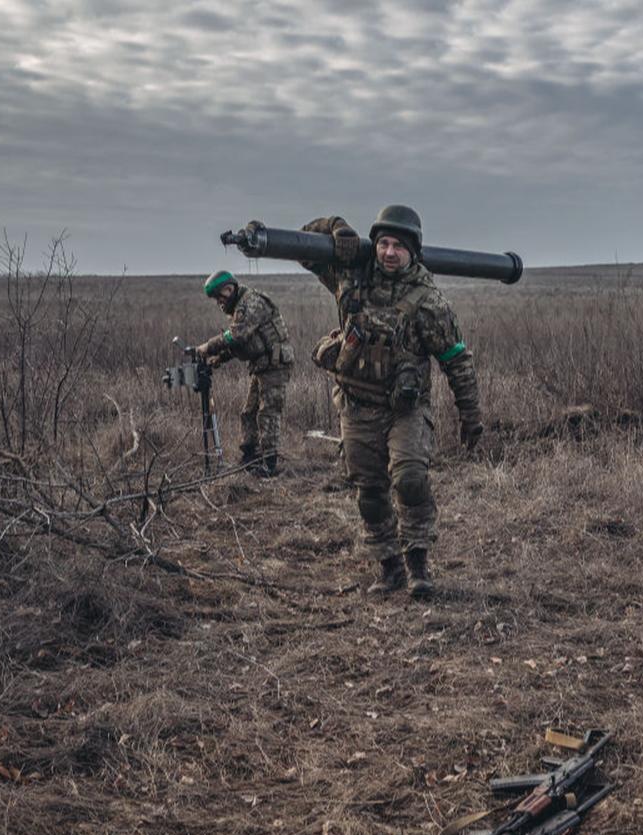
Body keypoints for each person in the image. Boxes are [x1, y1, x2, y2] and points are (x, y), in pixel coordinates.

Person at [295, 204, 483, 598]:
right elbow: (303, 246)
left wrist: (470, 415)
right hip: (356, 405)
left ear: (413, 251)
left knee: (411, 479)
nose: (389, 252)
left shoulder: (428, 301)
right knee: (369, 492)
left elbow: (457, 361)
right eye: (383, 243)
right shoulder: (350, 278)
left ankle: (418, 565)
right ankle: (389, 566)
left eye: (399, 245)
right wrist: (335, 228)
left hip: (405, 410)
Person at [195, 270, 294, 477]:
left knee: (268, 413)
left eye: (219, 297)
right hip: (261, 366)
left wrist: (208, 347)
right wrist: (219, 359)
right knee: (248, 412)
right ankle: (250, 455)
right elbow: (242, 343)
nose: (219, 303)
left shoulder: (251, 303)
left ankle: (269, 464)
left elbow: (238, 335)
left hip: (275, 365)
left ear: (229, 289)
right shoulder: (240, 307)